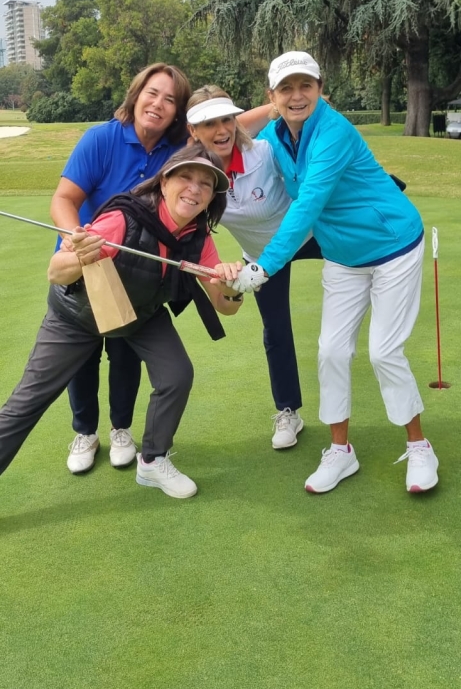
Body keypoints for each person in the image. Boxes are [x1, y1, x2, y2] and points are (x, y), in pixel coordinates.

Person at [227, 50, 438, 495]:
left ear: (321, 90)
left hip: (393, 245)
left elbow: (308, 204)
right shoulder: (274, 136)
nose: (297, 96)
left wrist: (262, 267)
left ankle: (419, 446)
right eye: (286, 88)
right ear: (272, 96)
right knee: (331, 352)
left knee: (384, 351)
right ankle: (341, 451)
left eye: (306, 86)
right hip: (343, 257)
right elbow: (227, 135)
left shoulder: (334, 131)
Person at [0, 145, 243, 499]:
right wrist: (80, 255)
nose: (195, 188)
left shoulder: (198, 237)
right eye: (186, 177)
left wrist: (232, 286)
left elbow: (224, 306)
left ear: (211, 197)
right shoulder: (122, 220)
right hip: (76, 316)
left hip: (140, 314)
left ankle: (152, 461)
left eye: (206, 184)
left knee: (176, 375)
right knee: (28, 401)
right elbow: (56, 272)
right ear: (164, 182)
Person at [50, 62, 191, 474]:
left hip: (133, 275)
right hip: (83, 264)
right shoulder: (101, 139)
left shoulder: (176, 151)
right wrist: (75, 238)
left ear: (177, 111)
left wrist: (274, 109)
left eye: (170, 100)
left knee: (125, 352)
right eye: (152, 93)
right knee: (83, 355)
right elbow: (64, 198)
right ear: (136, 94)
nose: (158, 104)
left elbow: (223, 126)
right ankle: (85, 432)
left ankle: (121, 429)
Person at [187, 85, 322, 450]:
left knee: (364, 261)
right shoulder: (193, 177)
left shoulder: (264, 152)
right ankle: (289, 411)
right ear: (193, 131)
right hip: (262, 257)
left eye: (227, 120)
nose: (221, 130)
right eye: (209, 123)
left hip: (311, 236)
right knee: (275, 329)